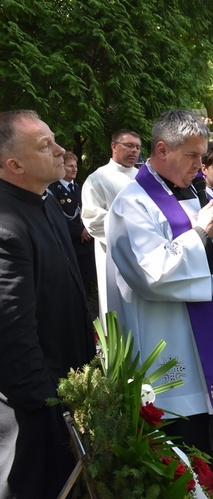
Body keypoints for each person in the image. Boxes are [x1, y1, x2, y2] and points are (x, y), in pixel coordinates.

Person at [105, 110, 213, 496]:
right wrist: (199, 233)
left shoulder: (200, 190)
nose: (202, 166)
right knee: (195, 455)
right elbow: (152, 274)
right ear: (162, 150)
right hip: (181, 353)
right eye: (194, 156)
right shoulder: (132, 204)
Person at [0, 110, 96, 497]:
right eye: (45, 145)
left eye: (54, 139)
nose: (60, 150)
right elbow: (11, 336)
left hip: (66, 389)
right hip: (32, 413)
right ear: (14, 164)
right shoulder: (6, 226)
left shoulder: (48, 204)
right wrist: (49, 407)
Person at [81, 128, 141, 322]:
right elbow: (93, 219)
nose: (134, 151)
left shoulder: (143, 178)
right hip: (113, 252)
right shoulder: (97, 179)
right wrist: (134, 229)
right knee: (117, 306)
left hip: (146, 252)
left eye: (138, 147)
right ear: (114, 146)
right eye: (129, 146)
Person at [49, 151, 97, 315]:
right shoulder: (53, 189)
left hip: (87, 243)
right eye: (70, 166)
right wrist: (79, 231)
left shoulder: (80, 187)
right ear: (62, 166)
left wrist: (88, 229)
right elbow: (57, 217)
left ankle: (90, 309)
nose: (74, 169)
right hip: (71, 243)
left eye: (75, 166)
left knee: (89, 280)